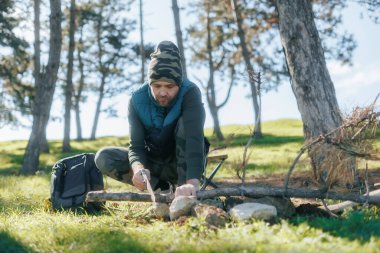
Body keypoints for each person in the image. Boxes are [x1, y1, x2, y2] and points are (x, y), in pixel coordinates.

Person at [95, 41, 208, 197]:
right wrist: (138, 168)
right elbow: (136, 146)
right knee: (103, 157)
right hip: (154, 164)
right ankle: (161, 189)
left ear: (179, 84)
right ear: (149, 83)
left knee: (183, 125)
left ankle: (184, 190)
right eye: (156, 86)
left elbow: (194, 140)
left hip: (182, 163)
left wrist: (192, 183)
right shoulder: (136, 99)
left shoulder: (190, 93)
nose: (162, 92)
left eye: (169, 87)